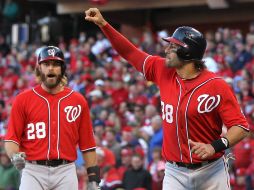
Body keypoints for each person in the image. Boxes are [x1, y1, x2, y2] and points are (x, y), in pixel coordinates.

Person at [85, 8, 249, 190]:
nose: (166, 49)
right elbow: (130, 53)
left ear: (187, 51)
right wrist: (104, 25)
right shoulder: (162, 70)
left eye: (173, 46)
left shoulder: (216, 85)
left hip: (211, 170)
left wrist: (215, 146)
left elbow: (240, 127)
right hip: (174, 171)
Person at [4, 46, 100, 190]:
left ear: (62, 69)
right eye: (46, 64)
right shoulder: (22, 99)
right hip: (33, 170)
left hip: (65, 170)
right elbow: (11, 139)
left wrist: (93, 179)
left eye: (55, 64)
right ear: (39, 68)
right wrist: (14, 155)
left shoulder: (78, 101)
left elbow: (88, 145)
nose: (51, 68)